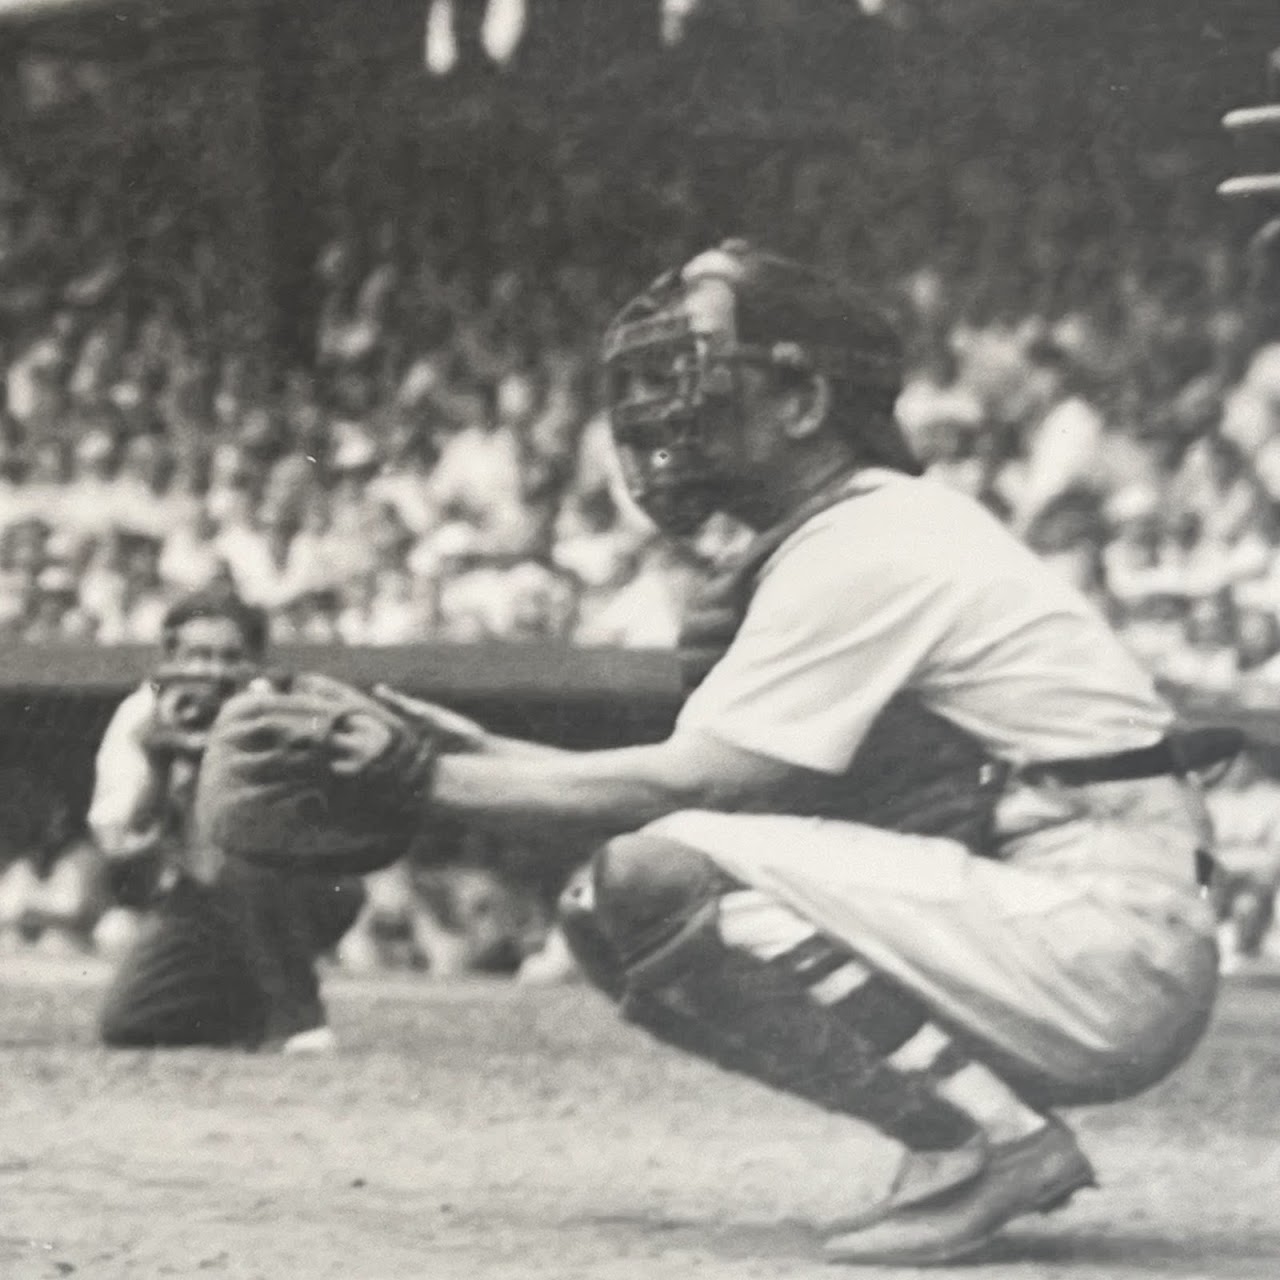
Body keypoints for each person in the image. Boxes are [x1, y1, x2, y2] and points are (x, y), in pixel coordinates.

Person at [370, 244, 1229, 1263]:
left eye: (692, 374)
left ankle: (994, 1141)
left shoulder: (867, 537)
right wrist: (490, 755)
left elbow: (694, 784)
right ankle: (953, 1136)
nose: (657, 408)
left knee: (660, 874)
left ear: (803, 399)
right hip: (1060, 915)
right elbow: (727, 776)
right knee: (609, 906)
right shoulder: (856, 527)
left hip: (1104, 933)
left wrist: (429, 785)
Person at [88, 587, 364, 1051]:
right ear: (169, 657)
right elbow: (122, 851)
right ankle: (249, 1015)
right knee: (131, 1023)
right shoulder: (141, 715)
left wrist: (221, 756)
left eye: (230, 656)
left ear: (253, 662)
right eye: (198, 655)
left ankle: (301, 1020)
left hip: (303, 886)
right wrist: (158, 768)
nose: (213, 671)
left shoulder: (282, 707)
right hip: (199, 899)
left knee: (241, 841)